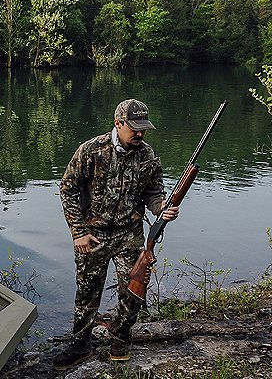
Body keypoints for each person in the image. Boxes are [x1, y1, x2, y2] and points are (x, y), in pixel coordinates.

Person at [53, 99, 179, 369]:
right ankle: (81, 344)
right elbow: (68, 189)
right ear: (118, 123)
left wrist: (162, 209)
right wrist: (79, 232)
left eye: (144, 128)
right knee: (87, 292)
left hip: (129, 235)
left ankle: (121, 336)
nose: (140, 134)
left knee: (132, 289)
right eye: (134, 128)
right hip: (93, 235)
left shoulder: (148, 155)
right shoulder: (91, 150)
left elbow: (153, 193)